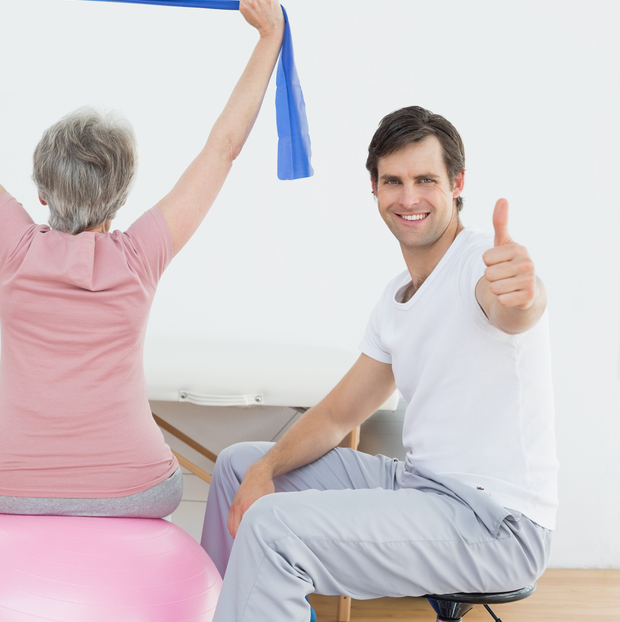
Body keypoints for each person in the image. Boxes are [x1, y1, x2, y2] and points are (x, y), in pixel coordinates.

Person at [0, 0, 285, 517]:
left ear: (40, 192)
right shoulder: (141, 254)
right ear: (121, 197)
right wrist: (267, 38)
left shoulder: (12, 244)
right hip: (134, 487)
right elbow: (222, 149)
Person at [201, 106, 557, 621]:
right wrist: (265, 468)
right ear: (374, 190)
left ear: (457, 183)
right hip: (420, 487)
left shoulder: (480, 265)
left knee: (274, 527)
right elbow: (338, 415)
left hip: (495, 525)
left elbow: (513, 309)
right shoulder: (396, 301)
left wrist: (526, 295)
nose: (408, 198)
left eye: (425, 180)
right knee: (239, 467)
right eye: (393, 181)